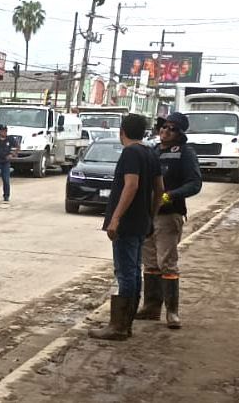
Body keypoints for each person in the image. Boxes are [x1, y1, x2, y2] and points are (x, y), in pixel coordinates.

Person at [89, 113, 165, 341]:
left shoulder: (130, 153)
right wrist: (151, 215)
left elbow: (131, 186)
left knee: (126, 271)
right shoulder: (151, 152)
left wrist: (116, 218)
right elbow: (159, 188)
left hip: (128, 223)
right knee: (133, 270)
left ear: (122, 131)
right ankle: (125, 322)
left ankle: (119, 326)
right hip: (141, 221)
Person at [138, 112, 201, 329]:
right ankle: (151, 307)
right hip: (149, 215)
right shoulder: (153, 151)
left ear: (180, 133)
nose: (165, 131)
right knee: (150, 262)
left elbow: (195, 184)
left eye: (171, 128)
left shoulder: (185, 153)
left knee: (167, 262)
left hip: (169, 215)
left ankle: (172, 312)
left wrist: (170, 195)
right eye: (163, 126)